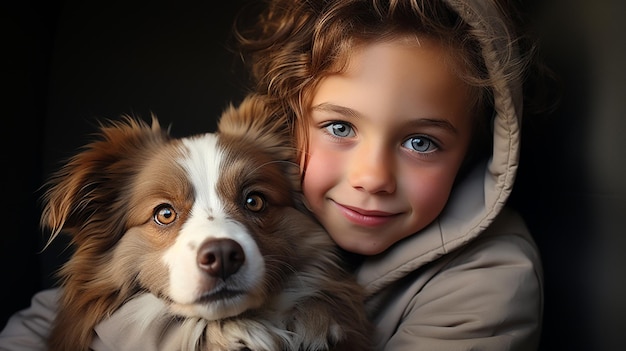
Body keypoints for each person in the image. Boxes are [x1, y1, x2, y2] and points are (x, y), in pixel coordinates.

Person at [1, 0, 552, 349]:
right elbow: (54, 316)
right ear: (299, 126)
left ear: (476, 152)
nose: (371, 175)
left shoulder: (490, 279)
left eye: (419, 141)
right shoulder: (292, 185)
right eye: (340, 128)